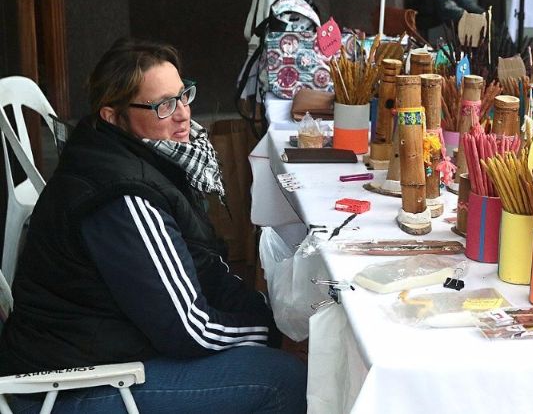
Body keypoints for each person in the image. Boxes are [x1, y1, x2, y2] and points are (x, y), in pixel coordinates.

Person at [0, 38, 306, 413]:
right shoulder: (122, 196)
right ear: (113, 117)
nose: (183, 115)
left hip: (108, 349)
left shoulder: (145, 159)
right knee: (287, 380)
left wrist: (265, 313)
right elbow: (190, 330)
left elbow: (205, 266)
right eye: (163, 105)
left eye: (183, 96)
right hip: (68, 387)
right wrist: (274, 333)